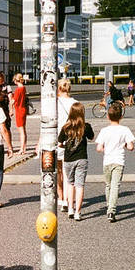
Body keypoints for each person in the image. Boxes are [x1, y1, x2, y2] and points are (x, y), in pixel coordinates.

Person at [94, 102, 135, 223]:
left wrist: (106, 148)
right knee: (115, 185)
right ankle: (111, 210)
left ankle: (109, 206)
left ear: (107, 116)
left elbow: (99, 148)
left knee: (108, 185)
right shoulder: (125, 130)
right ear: (121, 117)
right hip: (119, 160)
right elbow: (131, 146)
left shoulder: (104, 130)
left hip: (107, 161)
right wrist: (125, 145)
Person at [58, 103, 94, 221]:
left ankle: (70, 209)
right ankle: (78, 212)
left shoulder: (65, 127)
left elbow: (59, 143)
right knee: (80, 185)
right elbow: (91, 137)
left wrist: (66, 146)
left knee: (70, 183)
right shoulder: (86, 127)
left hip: (68, 159)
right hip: (82, 158)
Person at [56, 78, 80, 211]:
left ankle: (61, 197)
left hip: (55, 139)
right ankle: (67, 200)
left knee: (58, 171)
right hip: (69, 140)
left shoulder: (54, 102)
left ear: (59, 88)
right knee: (67, 172)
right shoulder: (75, 103)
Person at [10, 73, 29, 154]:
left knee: (21, 131)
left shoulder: (18, 89)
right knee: (24, 130)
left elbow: (13, 101)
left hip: (19, 110)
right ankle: (24, 148)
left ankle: (21, 149)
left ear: (15, 80)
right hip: (23, 109)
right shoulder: (23, 88)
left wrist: (11, 99)